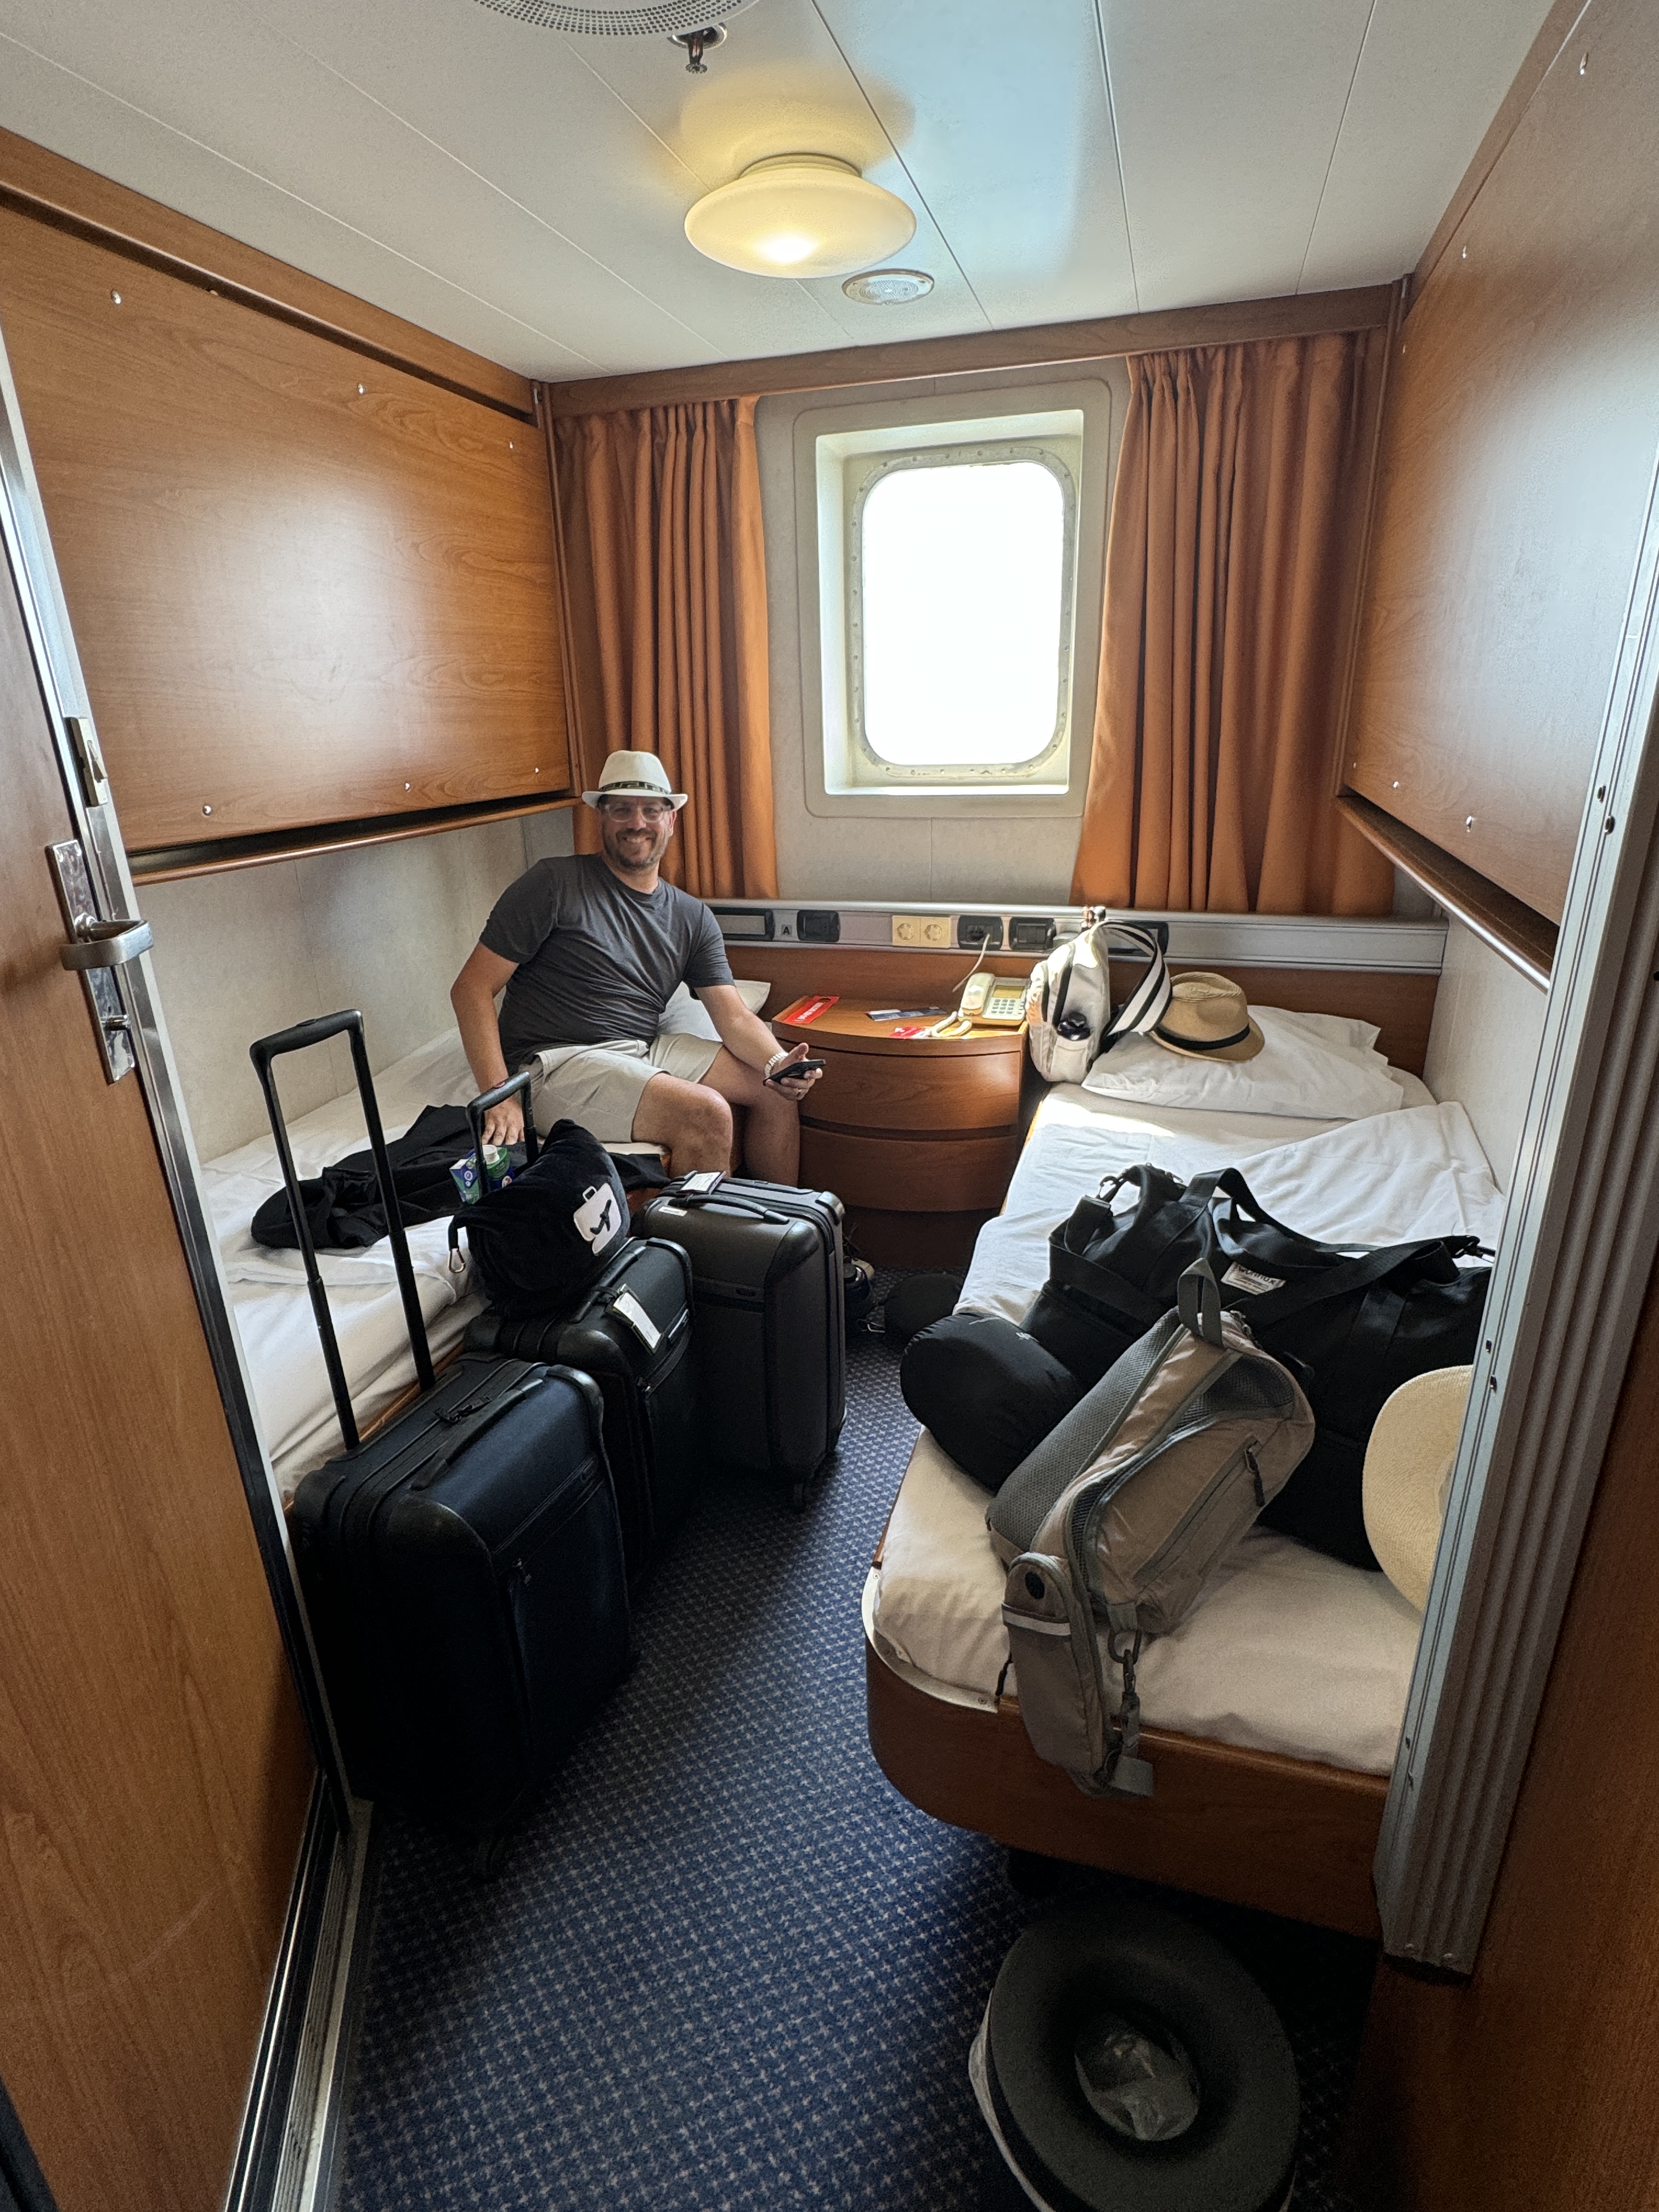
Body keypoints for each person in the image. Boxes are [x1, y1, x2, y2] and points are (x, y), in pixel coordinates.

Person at [450, 750, 822, 1180]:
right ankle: (703, 1227)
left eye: (651, 810)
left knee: (774, 1092)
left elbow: (734, 1017)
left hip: (641, 1048)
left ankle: (780, 1218)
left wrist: (778, 1064)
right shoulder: (553, 884)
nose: (637, 823)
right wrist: (499, 1095)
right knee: (707, 1112)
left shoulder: (692, 917)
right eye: (622, 810)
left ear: (671, 820)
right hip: (559, 1061)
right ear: (601, 818)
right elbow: (471, 989)